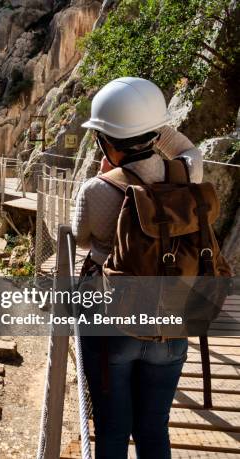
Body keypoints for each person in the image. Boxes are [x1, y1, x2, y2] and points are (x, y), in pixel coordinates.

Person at [72, 77, 203, 459]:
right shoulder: (186, 174)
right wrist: (147, 123)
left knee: (112, 430)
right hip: (170, 321)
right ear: (152, 131)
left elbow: (81, 239)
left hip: (112, 322)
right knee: (153, 428)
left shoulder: (96, 190)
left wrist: (106, 172)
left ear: (104, 141)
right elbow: (187, 148)